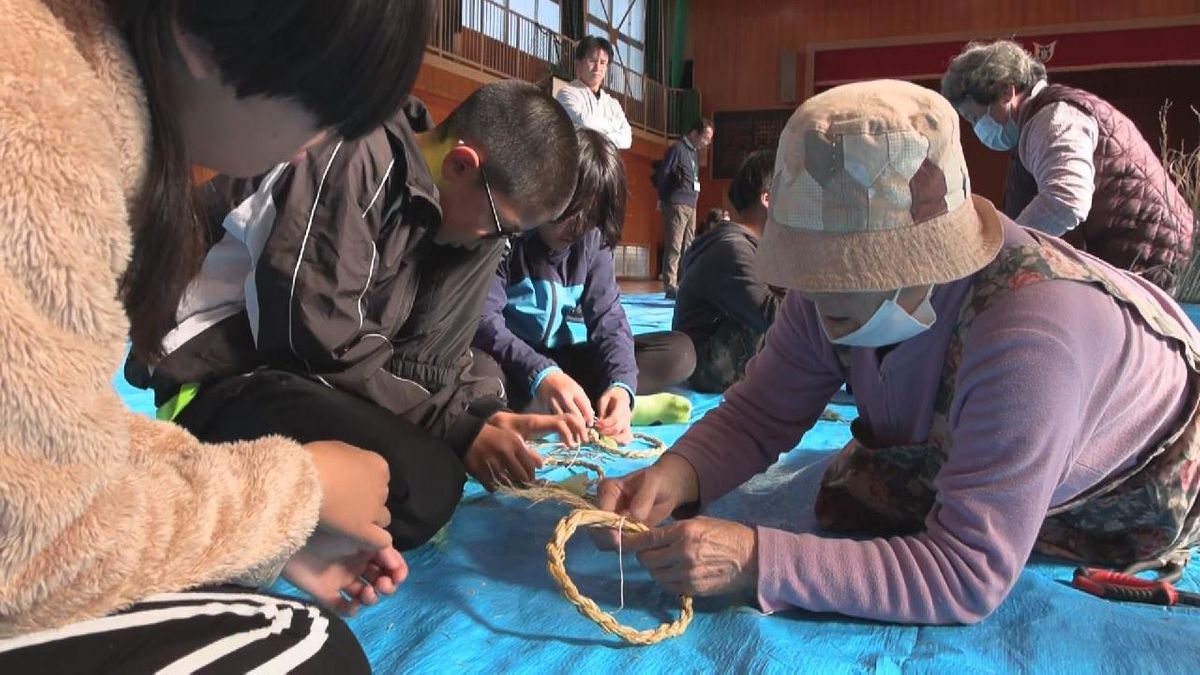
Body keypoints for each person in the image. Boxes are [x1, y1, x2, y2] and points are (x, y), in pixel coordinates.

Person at [596, 80, 1200, 625]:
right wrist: (675, 474)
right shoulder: (825, 294)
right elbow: (761, 411)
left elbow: (965, 572)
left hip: (1148, 465)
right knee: (859, 494)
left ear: (926, 262)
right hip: (1014, 414)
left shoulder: (1030, 340)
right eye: (812, 269)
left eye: (848, 272)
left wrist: (761, 561)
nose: (815, 293)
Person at [0, 0, 436, 669]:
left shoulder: (99, 111)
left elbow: (50, 442)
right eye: (322, 114)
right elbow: (315, 325)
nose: (317, 143)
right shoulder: (40, 133)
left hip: (254, 402)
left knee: (427, 476)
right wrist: (298, 489)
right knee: (312, 647)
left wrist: (276, 533)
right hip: (240, 375)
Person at [130, 83, 584, 525]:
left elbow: (423, 351)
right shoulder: (356, 153)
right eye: (501, 226)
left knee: (487, 379)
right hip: (225, 373)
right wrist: (456, 428)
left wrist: (478, 413)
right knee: (427, 484)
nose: (498, 243)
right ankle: (221, 468)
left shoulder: (449, 209)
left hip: (304, 372)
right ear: (461, 166)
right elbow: (314, 337)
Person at [474, 129, 696, 442]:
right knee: (473, 366)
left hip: (563, 362)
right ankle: (546, 407)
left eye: (591, 216)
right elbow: (484, 321)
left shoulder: (592, 240)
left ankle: (604, 406)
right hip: (510, 361)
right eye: (570, 210)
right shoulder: (510, 231)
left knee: (678, 353)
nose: (578, 227)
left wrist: (621, 386)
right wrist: (540, 373)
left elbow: (609, 320)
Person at [942, 39, 1194, 291]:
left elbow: (1065, 200)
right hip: (1148, 259)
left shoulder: (1054, 118)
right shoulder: (1040, 121)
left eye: (975, 117)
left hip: (1159, 269)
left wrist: (1004, 253)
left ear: (1007, 91)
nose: (977, 128)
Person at [674, 150, 783, 392]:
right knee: (808, 317)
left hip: (720, 353)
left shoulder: (750, 246)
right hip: (708, 366)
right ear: (767, 198)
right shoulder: (734, 249)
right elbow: (774, 317)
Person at [656, 117, 715, 298]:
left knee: (688, 245)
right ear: (695, 133)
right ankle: (670, 285)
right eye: (705, 137)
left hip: (691, 204)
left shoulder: (693, 153)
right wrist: (662, 198)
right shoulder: (677, 149)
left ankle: (686, 282)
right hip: (677, 203)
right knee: (674, 244)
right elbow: (664, 174)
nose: (707, 143)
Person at [556, 35, 632, 150]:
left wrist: (598, 134)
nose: (597, 68)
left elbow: (627, 140)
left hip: (607, 165)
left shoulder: (613, 104)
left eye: (603, 62)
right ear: (578, 64)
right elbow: (584, 121)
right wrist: (614, 125)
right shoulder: (566, 94)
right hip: (578, 163)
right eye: (592, 61)